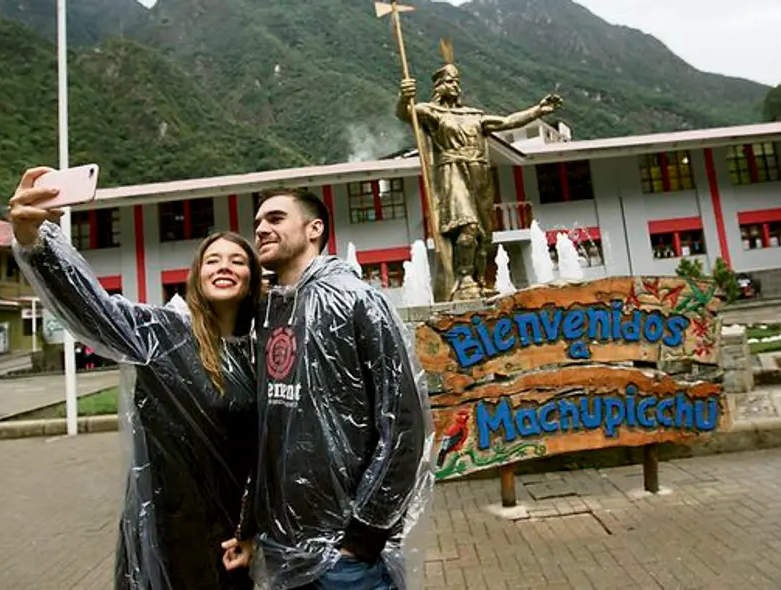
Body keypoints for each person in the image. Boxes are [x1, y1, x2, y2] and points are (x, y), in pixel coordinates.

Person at [9, 167, 262, 589]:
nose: (225, 266)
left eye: (238, 260)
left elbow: (273, 451)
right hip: (169, 527)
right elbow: (91, 307)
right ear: (197, 276)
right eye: (212, 259)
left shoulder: (261, 352)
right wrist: (36, 241)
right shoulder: (160, 334)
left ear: (252, 277)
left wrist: (256, 528)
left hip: (234, 535)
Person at [222, 188, 434, 590]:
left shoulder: (358, 300)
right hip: (283, 549)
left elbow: (404, 424)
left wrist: (364, 536)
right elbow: (270, 433)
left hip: (346, 558)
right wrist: (251, 525)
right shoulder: (270, 311)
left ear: (314, 228)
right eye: (257, 224)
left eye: (276, 219)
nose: (261, 229)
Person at [395, 39, 562, 301]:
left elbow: (507, 122)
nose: (455, 85)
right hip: (453, 172)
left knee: (484, 236)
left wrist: (538, 110)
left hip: (480, 175)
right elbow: (407, 114)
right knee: (467, 228)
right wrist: (403, 97)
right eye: (450, 81)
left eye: (457, 81)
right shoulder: (433, 112)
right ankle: (464, 279)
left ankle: (480, 279)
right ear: (439, 86)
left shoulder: (474, 115)